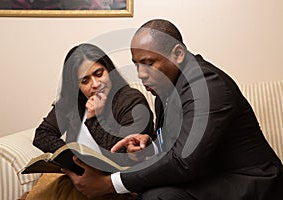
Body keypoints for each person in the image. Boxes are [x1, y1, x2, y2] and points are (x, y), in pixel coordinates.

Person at [64, 19, 283, 199]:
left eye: (149, 63)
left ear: (178, 54)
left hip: (251, 183)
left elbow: (184, 162)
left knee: (156, 197)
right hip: (210, 175)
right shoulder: (164, 89)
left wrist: (109, 184)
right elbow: (176, 150)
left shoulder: (207, 85)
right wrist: (150, 148)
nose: (140, 73)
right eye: (136, 64)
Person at [30, 43, 154, 199]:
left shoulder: (130, 100)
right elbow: (42, 134)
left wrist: (95, 117)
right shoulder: (72, 103)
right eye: (85, 81)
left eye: (99, 73)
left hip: (118, 187)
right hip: (79, 181)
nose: (95, 84)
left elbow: (120, 156)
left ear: (109, 70)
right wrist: (73, 158)